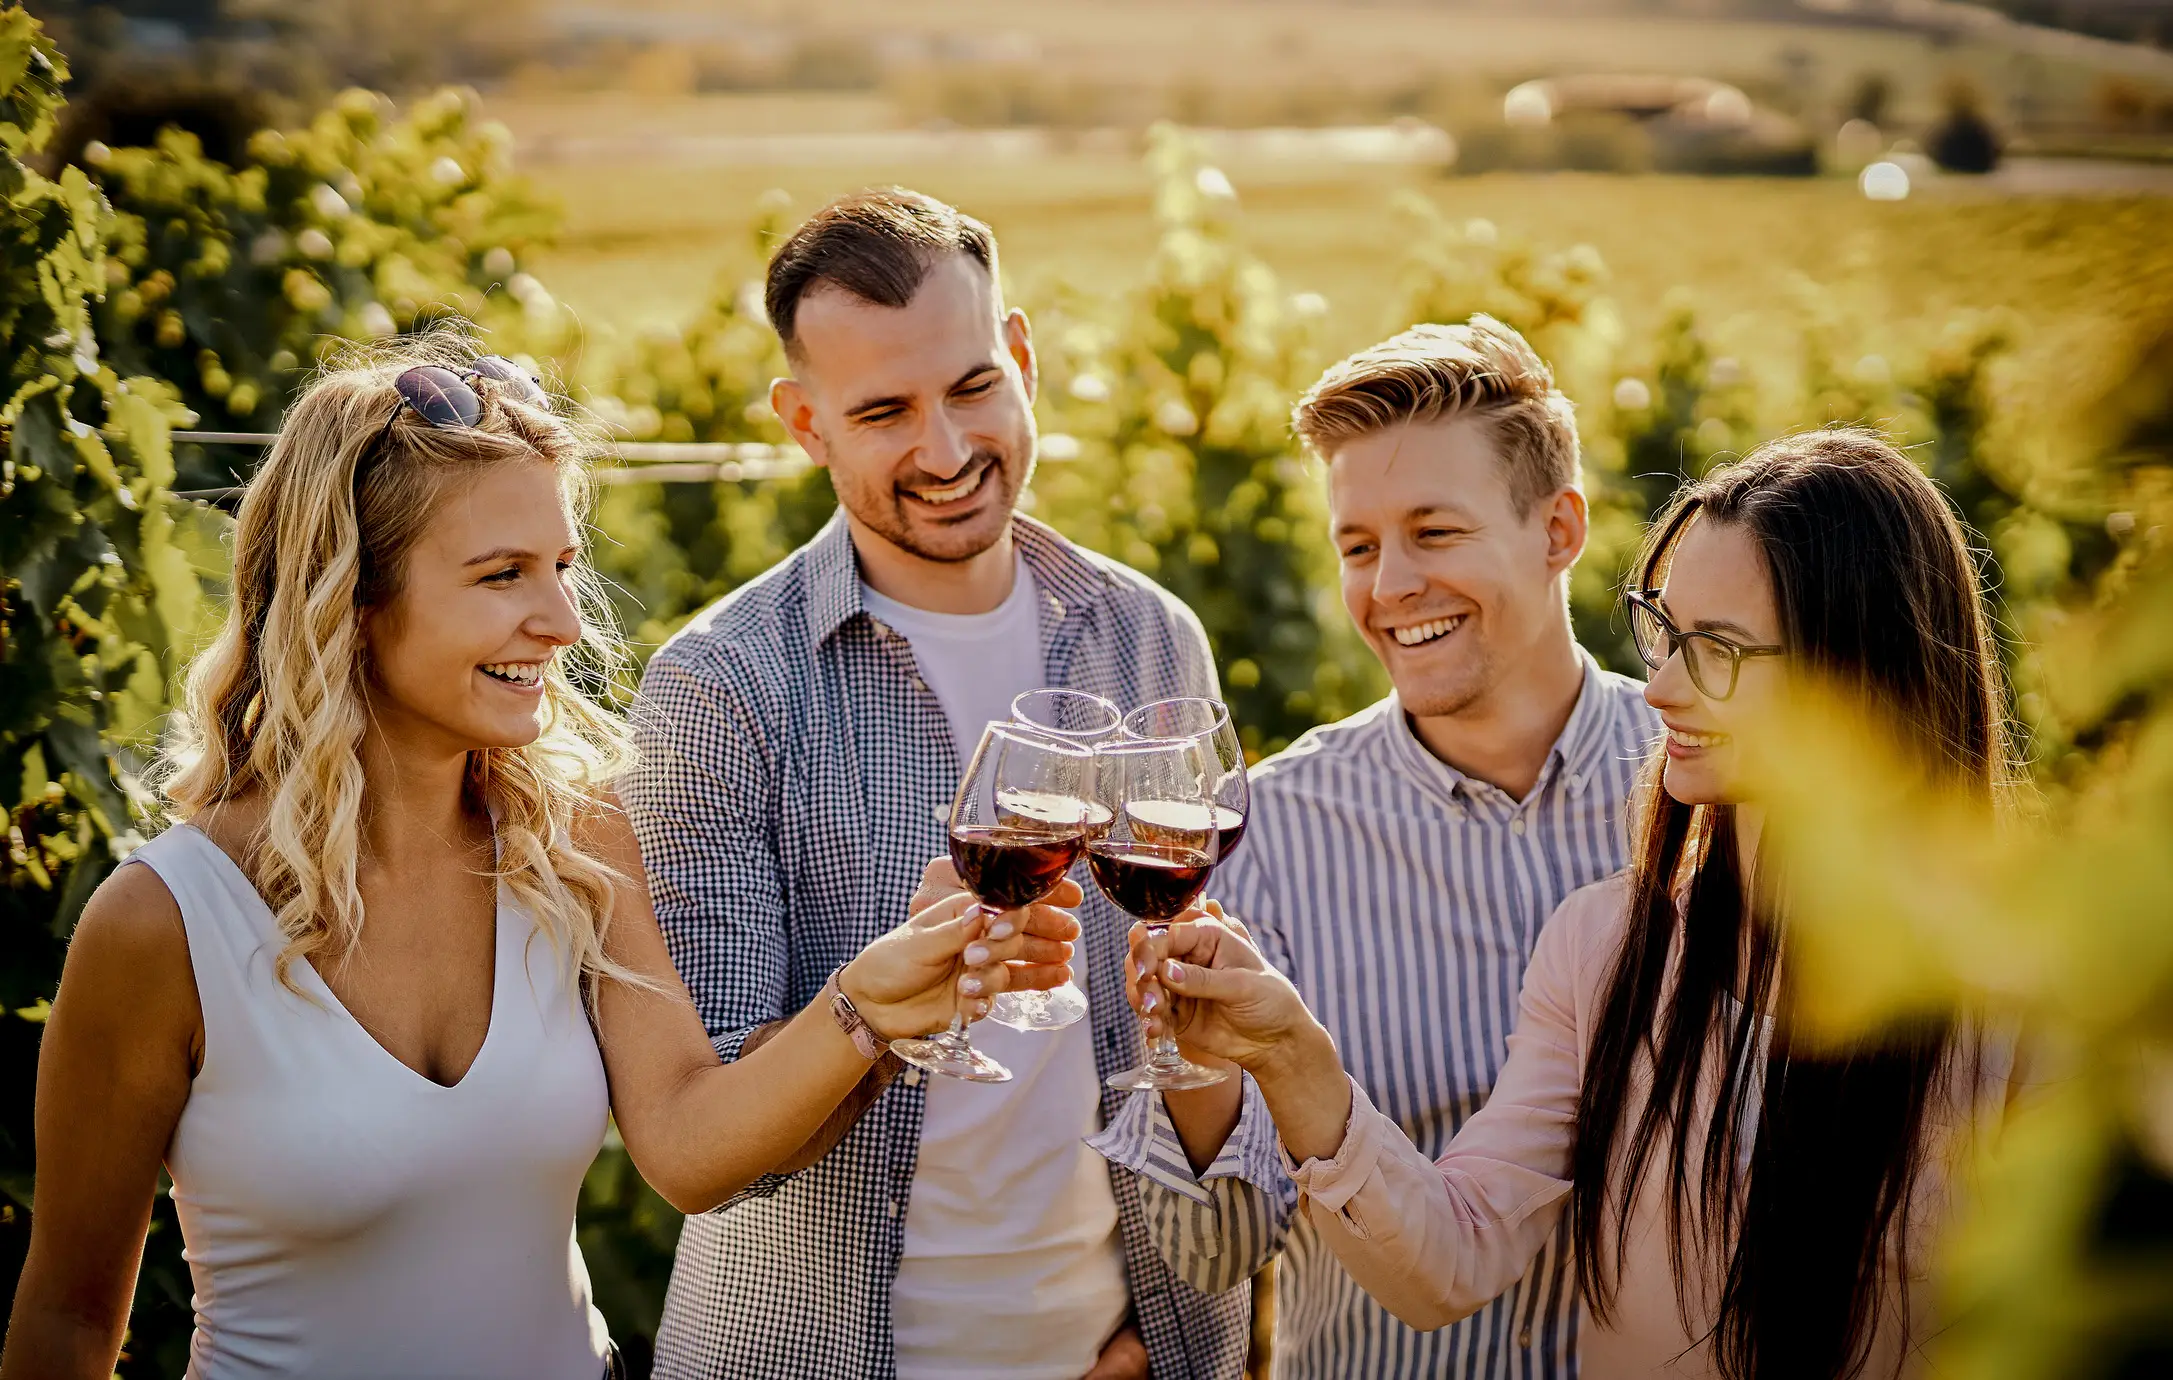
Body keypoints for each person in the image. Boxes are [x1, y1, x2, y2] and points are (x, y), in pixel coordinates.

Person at [0, 337, 1077, 1380]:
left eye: (562, 565)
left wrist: (879, 1003)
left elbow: (691, 1152)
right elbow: (67, 1314)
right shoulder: (163, 925)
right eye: (503, 574)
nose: (563, 620)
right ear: (352, 601)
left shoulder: (572, 839)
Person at [1133, 430, 2016, 1378]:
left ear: (1858, 672)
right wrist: (1286, 1053)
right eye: (1663, 632)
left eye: (1714, 649)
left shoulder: (2026, 1000)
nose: (1662, 687)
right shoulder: (1606, 949)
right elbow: (1447, 1257)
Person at [619, 188, 1248, 1380]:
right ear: (805, 424)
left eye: (970, 389)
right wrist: (883, 1014)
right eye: (884, 412)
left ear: (1018, 355)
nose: (948, 452)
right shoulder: (720, 691)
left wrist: (1155, 1341)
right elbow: (712, 1146)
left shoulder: (1152, 638)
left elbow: (1203, 1043)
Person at [1088, 316, 1656, 1377]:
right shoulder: (1269, 833)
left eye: (1434, 533)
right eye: (1358, 546)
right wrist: (1200, 1062)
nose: (1388, 585)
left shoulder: (1703, 788)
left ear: (1559, 530)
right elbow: (1216, 1252)